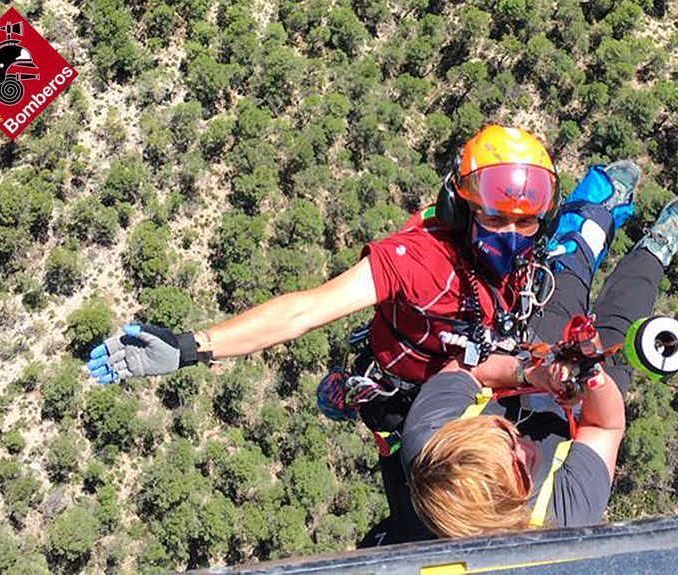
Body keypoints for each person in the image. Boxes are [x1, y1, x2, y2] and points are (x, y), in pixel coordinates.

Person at [85, 124, 642, 542]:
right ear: (461, 208)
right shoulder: (417, 261)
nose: (514, 235)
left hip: (479, 364)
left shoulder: (516, 258)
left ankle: (594, 215)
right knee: (420, 479)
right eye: (497, 219)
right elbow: (304, 311)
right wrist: (193, 346)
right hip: (417, 385)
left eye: (526, 222)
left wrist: (530, 367)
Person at [402, 194, 678, 538]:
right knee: (620, 326)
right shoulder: (564, 516)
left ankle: (596, 213)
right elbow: (605, 427)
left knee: (563, 288)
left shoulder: (433, 441)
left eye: (503, 433)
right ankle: (653, 252)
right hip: (583, 414)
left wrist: (530, 372)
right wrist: (593, 378)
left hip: (528, 366)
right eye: (523, 465)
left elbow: (467, 368)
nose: (521, 440)